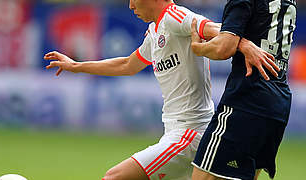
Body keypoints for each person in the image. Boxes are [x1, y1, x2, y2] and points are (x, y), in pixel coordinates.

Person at [44, 0, 277, 179]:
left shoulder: (176, 16)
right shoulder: (156, 30)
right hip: (176, 133)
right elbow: (128, 64)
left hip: (189, 134)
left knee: (114, 177)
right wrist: (76, 66)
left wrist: (245, 45)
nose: (130, 5)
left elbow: (215, 28)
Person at [190, 0, 297, 180]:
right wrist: (244, 44)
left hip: (248, 98)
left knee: (204, 176)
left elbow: (224, 48)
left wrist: (198, 48)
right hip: (278, 101)